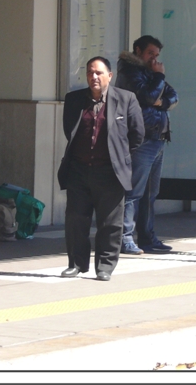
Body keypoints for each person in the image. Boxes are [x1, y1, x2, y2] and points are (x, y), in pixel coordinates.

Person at [57, 57, 144, 281]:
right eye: (90, 72)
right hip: (79, 170)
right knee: (76, 219)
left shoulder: (126, 99)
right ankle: (76, 264)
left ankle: (105, 266)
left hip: (110, 172)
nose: (93, 77)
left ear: (110, 76)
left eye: (98, 73)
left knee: (110, 223)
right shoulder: (74, 99)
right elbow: (70, 131)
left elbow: (137, 135)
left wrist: (118, 157)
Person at [115, 35, 178, 255]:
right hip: (141, 139)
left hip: (157, 137)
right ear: (138, 50)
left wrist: (162, 99)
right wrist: (159, 77)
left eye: (157, 55)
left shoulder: (148, 72)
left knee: (151, 192)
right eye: (150, 53)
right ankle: (125, 238)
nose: (154, 59)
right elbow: (148, 97)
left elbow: (173, 95)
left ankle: (147, 237)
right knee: (133, 191)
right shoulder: (130, 71)